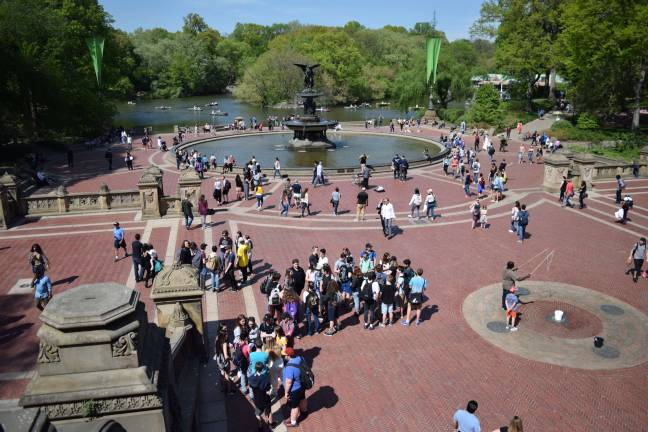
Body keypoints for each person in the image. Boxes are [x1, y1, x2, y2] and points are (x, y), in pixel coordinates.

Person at [282, 347, 308, 428]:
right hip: (302, 385)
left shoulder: (289, 367)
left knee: (295, 406)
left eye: (285, 355)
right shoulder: (300, 358)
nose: (284, 356)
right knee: (302, 398)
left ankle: (293, 422)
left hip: (294, 390)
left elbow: (288, 382)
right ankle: (304, 411)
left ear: (288, 356)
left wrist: (286, 392)